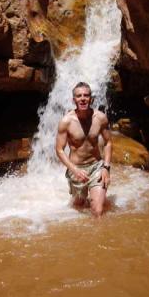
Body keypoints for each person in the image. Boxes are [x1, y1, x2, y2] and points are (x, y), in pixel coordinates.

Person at [56, 82, 112, 217]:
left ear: (91, 99)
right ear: (73, 99)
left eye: (86, 95)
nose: (83, 98)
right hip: (76, 168)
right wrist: (74, 169)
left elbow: (108, 143)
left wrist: (106, 167)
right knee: (78, 206)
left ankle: (99, 236)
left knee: (97, 210)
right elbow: (59, 150)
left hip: (96, 167)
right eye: (79, 96)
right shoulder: (66, 121)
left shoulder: (100, 118)